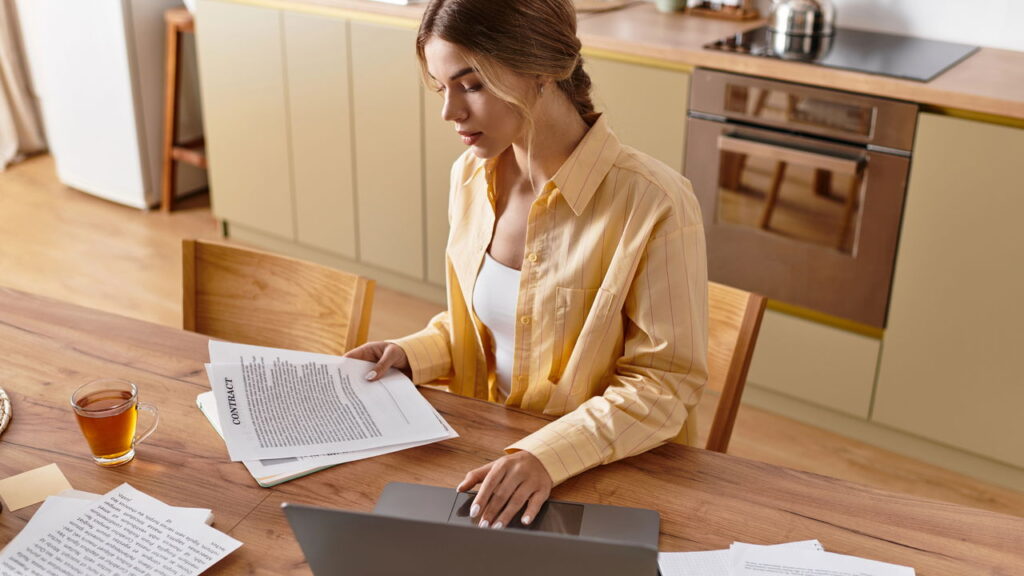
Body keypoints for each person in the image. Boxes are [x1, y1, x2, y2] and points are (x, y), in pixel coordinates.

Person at [345, 0, 708, 532]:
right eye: (443, 87)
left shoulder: (655, 202)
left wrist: (546, 457)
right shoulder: (471, 178)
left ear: (541, 69)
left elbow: (665, 385)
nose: (450, 113)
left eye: (472, 85)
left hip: (615, 477)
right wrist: (410, 355)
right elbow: (494, 321)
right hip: (497, 462)